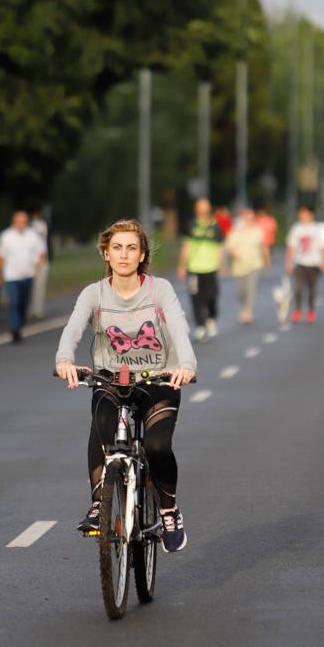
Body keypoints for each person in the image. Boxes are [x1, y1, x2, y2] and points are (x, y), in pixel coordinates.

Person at [55, 219, 196, 550]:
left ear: (142, 254)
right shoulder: (95, 293)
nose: (124, 255)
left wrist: (186, 365)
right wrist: (64, 360)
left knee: (157, 446)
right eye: (117, 247)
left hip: (159, 377)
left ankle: (168, 509)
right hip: (111, 378)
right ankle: (98, 503)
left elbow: (179, 328)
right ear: (106, 253)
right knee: (102, 423)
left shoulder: (159, 289)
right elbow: (73, 330)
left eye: (131, 248)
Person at [0, 211, 47, 342]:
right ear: (13, 222)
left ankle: (20, 323)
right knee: (14, 302)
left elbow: (42, 253)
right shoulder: (6, 236)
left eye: (24, 222)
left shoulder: (33, 236)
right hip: (11, 276)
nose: (21, 224)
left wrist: (37, 267)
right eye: (19, 222)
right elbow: (1, 257)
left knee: (24, 303)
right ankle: (15, 328)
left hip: (28, 275)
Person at [177, 198, 224, 341]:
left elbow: (220, 247)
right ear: (196, 209)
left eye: (205, 208)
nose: (203, 211)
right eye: (200, 208)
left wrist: (220, 265)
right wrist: (182, 266)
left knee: (211, 296)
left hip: (211, 267)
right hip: (194, 268)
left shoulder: (215, 226)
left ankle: (211, 318)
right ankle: (200, 325)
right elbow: (186, 246)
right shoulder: (191, 226)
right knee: (195, 297)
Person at [226, 208, 270, 323]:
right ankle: (244, 307)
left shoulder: (257, 231)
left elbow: (263, 246)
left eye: (250, 217)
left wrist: (267, 260)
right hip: (239, 267)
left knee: (251, 289)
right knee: (241, 292)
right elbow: (230, 247)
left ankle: (247, 311)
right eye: (246, 217)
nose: (248, 220)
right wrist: (235, 255)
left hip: (254, 265)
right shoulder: (235, 231)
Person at [286, 205, 324, 323]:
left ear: (311, 215)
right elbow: (291, 246)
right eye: (301, 214)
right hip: (300, 263)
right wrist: (289, 261)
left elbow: (323, 248)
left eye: (305, 214)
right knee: (298, 288)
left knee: (312, 289)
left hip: (315, 263)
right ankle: (298, 310)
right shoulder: (296, 228)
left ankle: (311, 311)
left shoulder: (317, 229)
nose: (302, 216)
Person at [29, 208, 50, 319]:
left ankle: (37, 309)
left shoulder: (40, 225)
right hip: (29, 261)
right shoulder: (28, 227)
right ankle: (32, 309)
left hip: (40, 259)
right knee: (31, 287)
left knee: (39, 286)